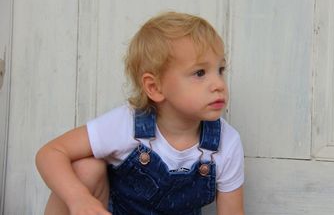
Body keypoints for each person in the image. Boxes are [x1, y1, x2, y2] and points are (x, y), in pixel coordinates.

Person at [36, 11, 245, 215]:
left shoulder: (226, 142)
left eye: (221, 70)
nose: (218, 84)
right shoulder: (126, 125)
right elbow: (50, 154)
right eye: (200, 73)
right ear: (154, 87)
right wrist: (79, 199)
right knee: (86, 168)